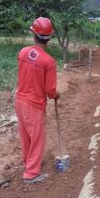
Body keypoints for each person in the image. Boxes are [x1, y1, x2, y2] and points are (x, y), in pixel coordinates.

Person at [15, 17, 59, 184]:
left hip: (20, 101)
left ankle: (28, 162)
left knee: (26, 135)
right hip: (34, 105)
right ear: (49, 38)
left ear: (33, 34)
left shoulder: (22, 52)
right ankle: (31, 173)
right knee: (37, 138)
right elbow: (50, 91)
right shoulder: (49, 62)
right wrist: (56, 95)